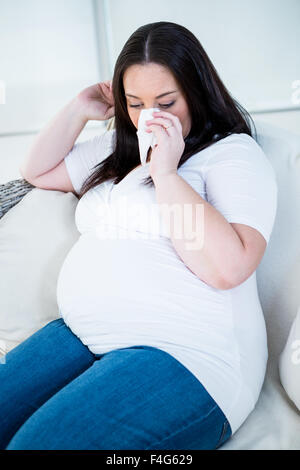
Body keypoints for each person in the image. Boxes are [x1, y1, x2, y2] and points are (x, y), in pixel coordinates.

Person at [0, 21, 277, 450]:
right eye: (135, 103)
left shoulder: (231, 154)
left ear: (196, 93)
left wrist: (167, 172)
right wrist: (78, 109)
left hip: (183, 354)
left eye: (166, 102)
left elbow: (229, 268)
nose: (151, 116)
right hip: (82, 334)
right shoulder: (121, 149)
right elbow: (37, 171)